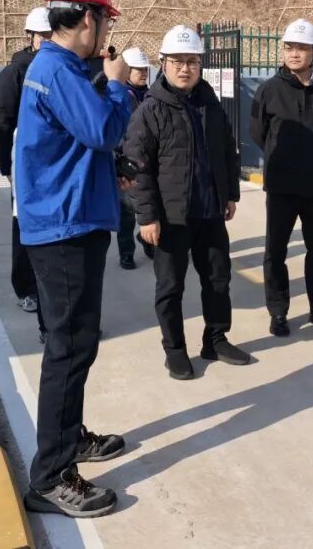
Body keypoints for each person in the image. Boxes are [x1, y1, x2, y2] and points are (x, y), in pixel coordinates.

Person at [15, 0, 131, 518]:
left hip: (72, 219)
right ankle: (50, 477)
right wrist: (119, 84)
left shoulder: (57, 68)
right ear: (88, 18)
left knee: (78, 344)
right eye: (105, 18)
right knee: (68, 348)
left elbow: (81, 144)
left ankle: (69, 436)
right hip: (64, 227)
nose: (106, 29)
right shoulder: (59, 69)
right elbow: (104, 130)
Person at [125, 24, 249, 381]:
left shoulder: (211, 104)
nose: (185, 68)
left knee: (218, 279)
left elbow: (227, 152)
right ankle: (175, 350)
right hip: (171, 218)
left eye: (192, 61)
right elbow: (138, 167)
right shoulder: (150, 111)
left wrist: (230, 194)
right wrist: (147, 217)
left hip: (209, 213)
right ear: (163, 63)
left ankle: (215, 339)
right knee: (170, 287)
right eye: (177, 61)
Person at [250, 19, 313, 337]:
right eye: (289, 47)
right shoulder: (269, 90)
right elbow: (258, 132)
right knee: (275, 251)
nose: (293, 53)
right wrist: (284, 157)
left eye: (301, 48)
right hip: (282, 186)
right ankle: (278, 311)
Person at [0, 7, 52, 332]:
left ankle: (47, 286)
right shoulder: (15, 73)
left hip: (54, 164)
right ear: (30, 36)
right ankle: (26, 288)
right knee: (24, 226)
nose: (47, 40)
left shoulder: (61, 68)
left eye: (52, 34)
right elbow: (0, 120)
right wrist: (8, 166)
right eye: (42, 35)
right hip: (25, 164)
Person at [116, 47, 152, 270]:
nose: (144, 73)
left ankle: (148, 240)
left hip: (149, 160)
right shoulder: (120, 96)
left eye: (145, 69)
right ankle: (126, 253)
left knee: (152, 206)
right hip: (127, 160)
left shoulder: (151, 95)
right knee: (127, 211)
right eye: (139, 69)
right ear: (127, 71)